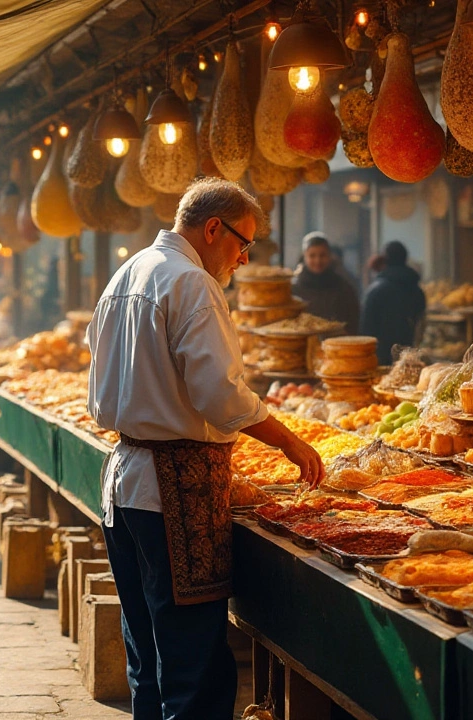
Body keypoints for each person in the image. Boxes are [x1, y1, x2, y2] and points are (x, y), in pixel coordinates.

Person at [87, 178, 324, 718]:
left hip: (124, 485)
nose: (243, 259)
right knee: (192, 668)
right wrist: (289, 441)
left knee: (147, 659)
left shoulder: (126, 273)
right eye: (244, 244)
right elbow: (220, 395)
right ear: (213, 228)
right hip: (173, 493)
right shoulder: (191, 282)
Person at [361, 240, 428, 365]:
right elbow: (420, 326)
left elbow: (366, 330)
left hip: (379, 360)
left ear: (384, 259)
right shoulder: (417, 290)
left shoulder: (376, 291)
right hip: (408, 359)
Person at [291, 232, 360, 333]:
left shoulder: (343, 288)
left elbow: (353, 322)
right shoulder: (293, 289)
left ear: (329, 256)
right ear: (304, 257)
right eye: (312, 255)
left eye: (322, 255)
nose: (318, 260)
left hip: (335, 345)